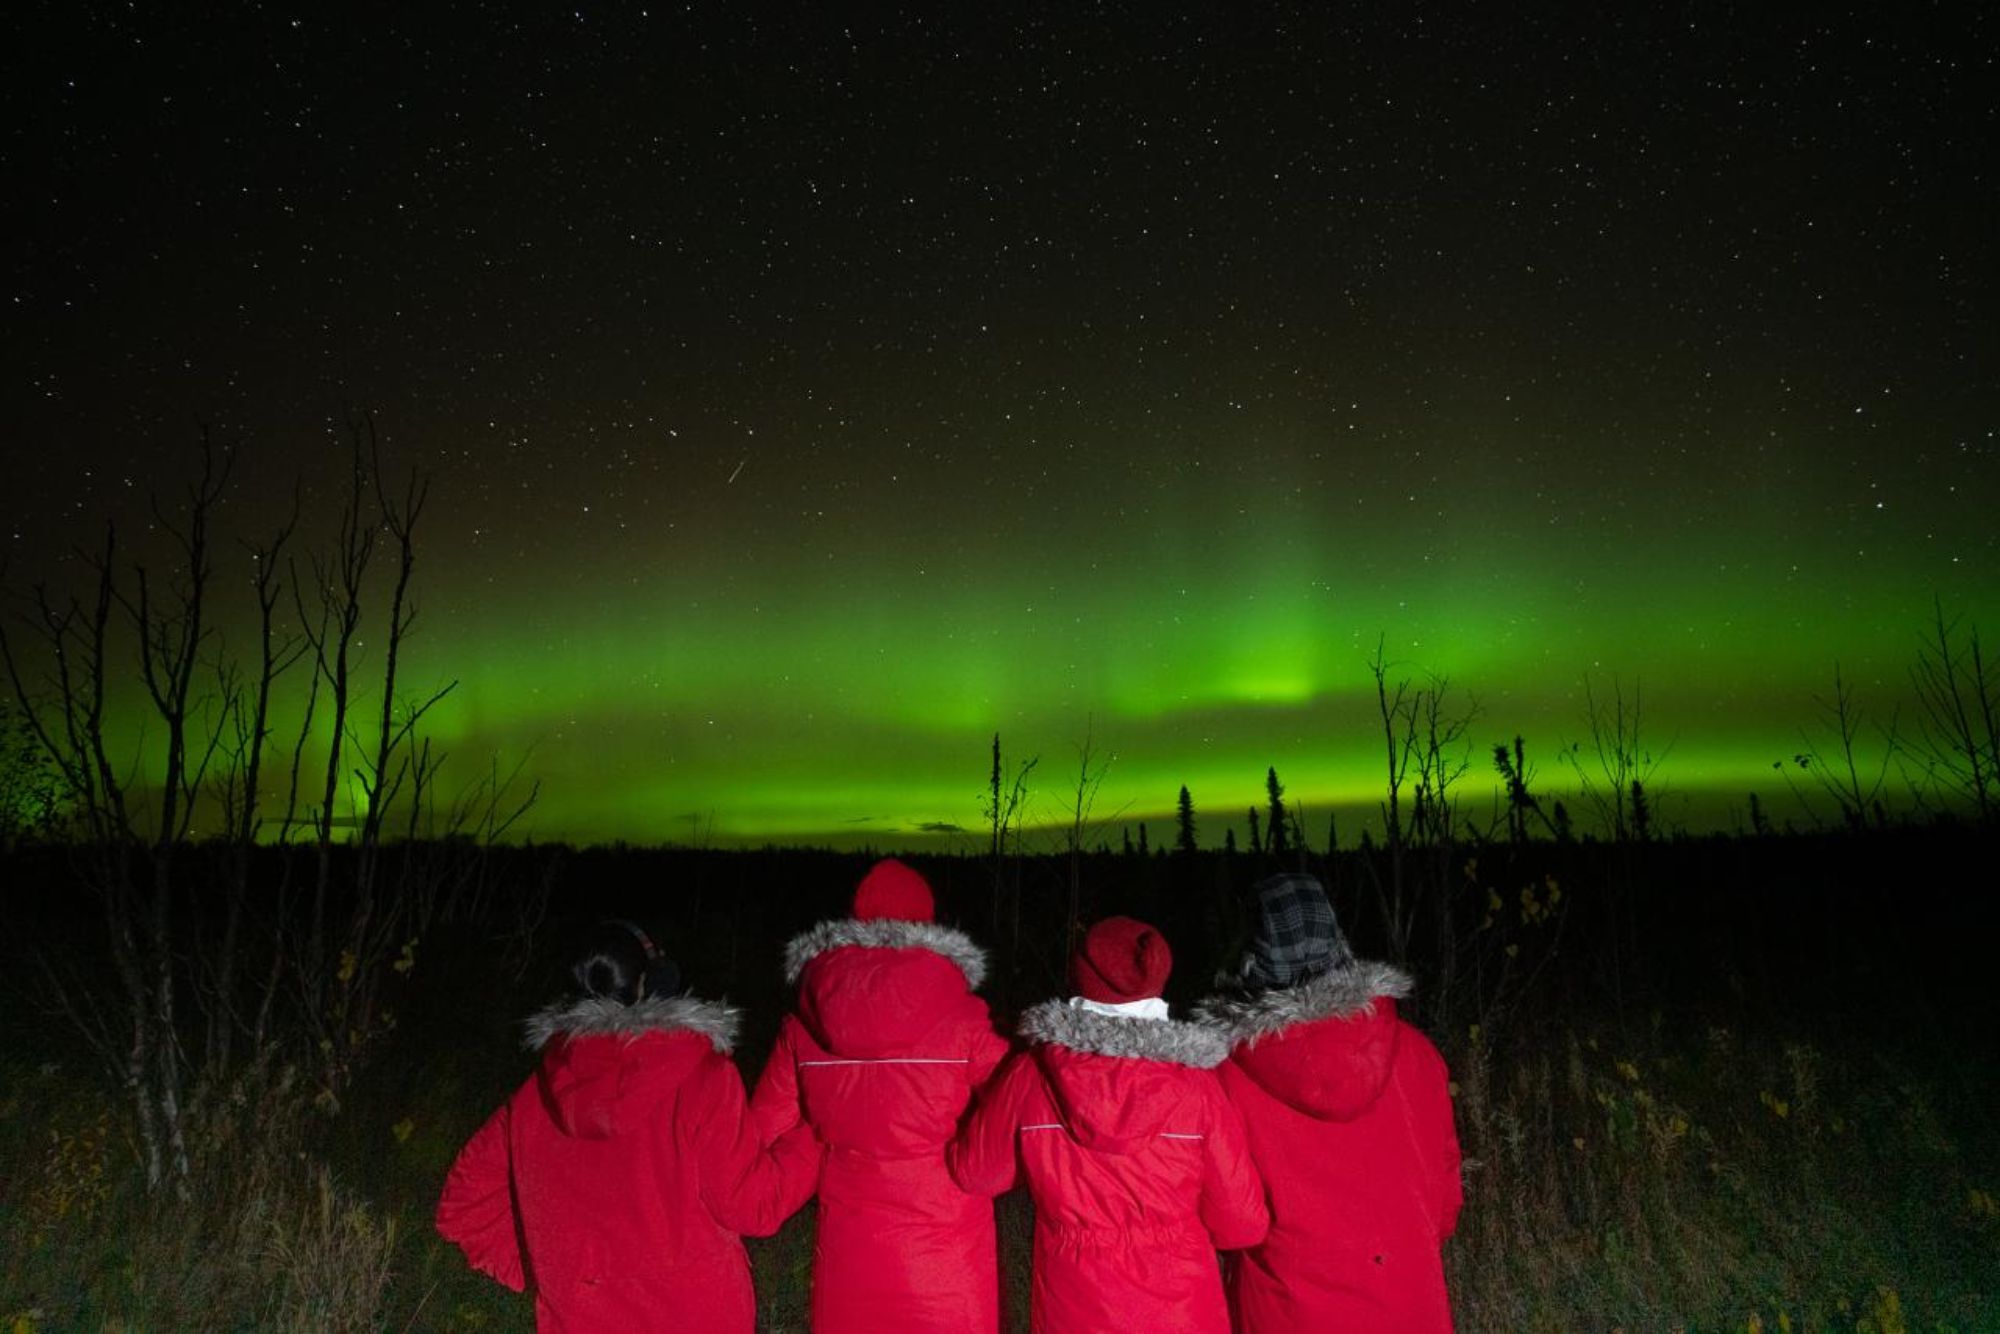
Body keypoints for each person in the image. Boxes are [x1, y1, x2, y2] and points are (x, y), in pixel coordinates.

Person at [436, 920, 820, 1334]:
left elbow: (464, 1210)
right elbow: (754, 1207)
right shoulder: (703, 1078)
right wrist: (816, 1137)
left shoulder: (533, 1099)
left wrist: (553, 1272)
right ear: (655, 984)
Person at [949, 915, 1267, 1334]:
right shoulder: (1197, 1086)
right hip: (1182, 1308)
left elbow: (978, 1174)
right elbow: (1241, 1226)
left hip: (1074, 1303)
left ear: (1081, 977)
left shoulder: (1031, 1073)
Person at [1194, 872, 1463, 1331]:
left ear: (1250, 948)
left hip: (1288, 1312)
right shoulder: (1416, 1054)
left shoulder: (1226, 1075)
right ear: (1336, 938)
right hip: (1408, 1303)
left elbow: (1231, 1222)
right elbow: (1443, 1204)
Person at [752, 858, 1010, 1333]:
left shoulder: (804, 1024)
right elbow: (1012, 1116)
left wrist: (814, 1141)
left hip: (851, 1250)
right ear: (929, 928)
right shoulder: (966, 1019)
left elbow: (761, 1132)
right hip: (947, 1261)